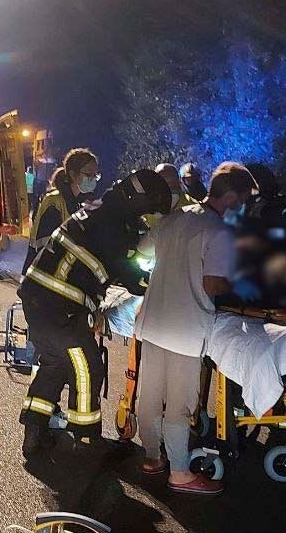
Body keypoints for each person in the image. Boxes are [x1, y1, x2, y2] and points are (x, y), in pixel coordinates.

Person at [18, 169, 172, 456]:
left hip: (38, 299)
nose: (145, 218)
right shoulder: (112, 225)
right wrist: (159, 280)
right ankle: (86, 439)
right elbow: (132, 277)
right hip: (60, 307)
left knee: (54, 364)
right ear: (138, 202)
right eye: (147, 211)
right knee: (88, 367)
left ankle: (34, 430)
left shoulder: (101, 210)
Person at [133, 161, 257, 494]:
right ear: (230, 197)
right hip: (186, 329)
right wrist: (240, 282)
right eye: (242, 200)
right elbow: (214, 285)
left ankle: (150, 456)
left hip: (153, 321)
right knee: (179, 403)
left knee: (149, 394)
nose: (242, 207)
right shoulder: (218, 232)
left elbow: (143, 251)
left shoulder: (175, 219)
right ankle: (179, 473)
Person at [24, 148, 100, 271]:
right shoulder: (54, 202)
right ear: (72, 174)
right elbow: (46, 247)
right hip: (43, 277)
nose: (93, 179)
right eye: (88, 174)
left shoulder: (78, 203)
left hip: (58, 277)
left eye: (96, 175)